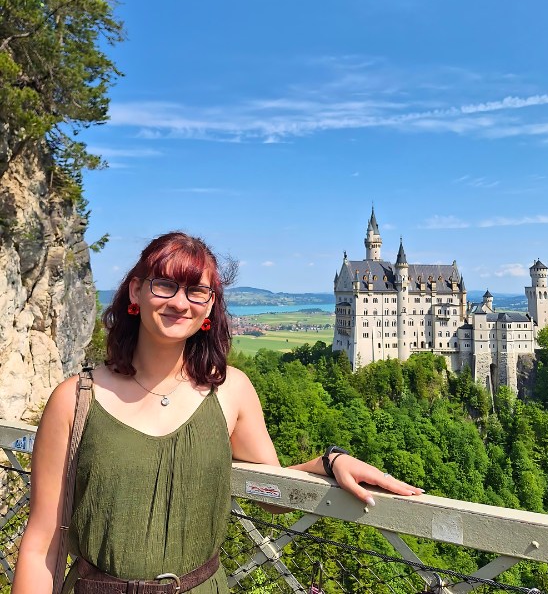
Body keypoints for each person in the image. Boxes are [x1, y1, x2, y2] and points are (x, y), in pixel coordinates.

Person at [13, 231, 423, 593]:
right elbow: (41, 543)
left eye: (197, 291)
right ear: (135, 292)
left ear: (209, 308)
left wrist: (329, 462)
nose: (180, 302)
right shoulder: (75, 399)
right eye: (165, 285)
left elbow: (272, 494)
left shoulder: (231, 391)